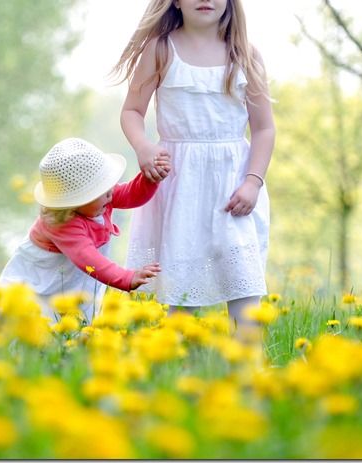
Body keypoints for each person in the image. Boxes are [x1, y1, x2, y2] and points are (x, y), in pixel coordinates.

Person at [112, 0, 275, 329]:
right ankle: (176, 363)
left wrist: (253, 182)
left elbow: (264, 128)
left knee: (243, 278)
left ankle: (248, 366)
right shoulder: (160, 50)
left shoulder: (244, 53)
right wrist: (144, 147)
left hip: (234, 185)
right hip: (180, 182)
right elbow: (132, 111)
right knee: (181, 280)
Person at [0, 137, 170, 323]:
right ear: (76, 201)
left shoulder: (101, 198)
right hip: (41, 278)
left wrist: (150, 178)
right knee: (29, 316)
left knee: (71, 319)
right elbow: (89, 259)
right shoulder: (62, 224)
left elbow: (131, 194)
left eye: (109, 185)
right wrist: (127, 277)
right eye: (102, 190)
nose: (111, 192)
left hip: (72, 277)